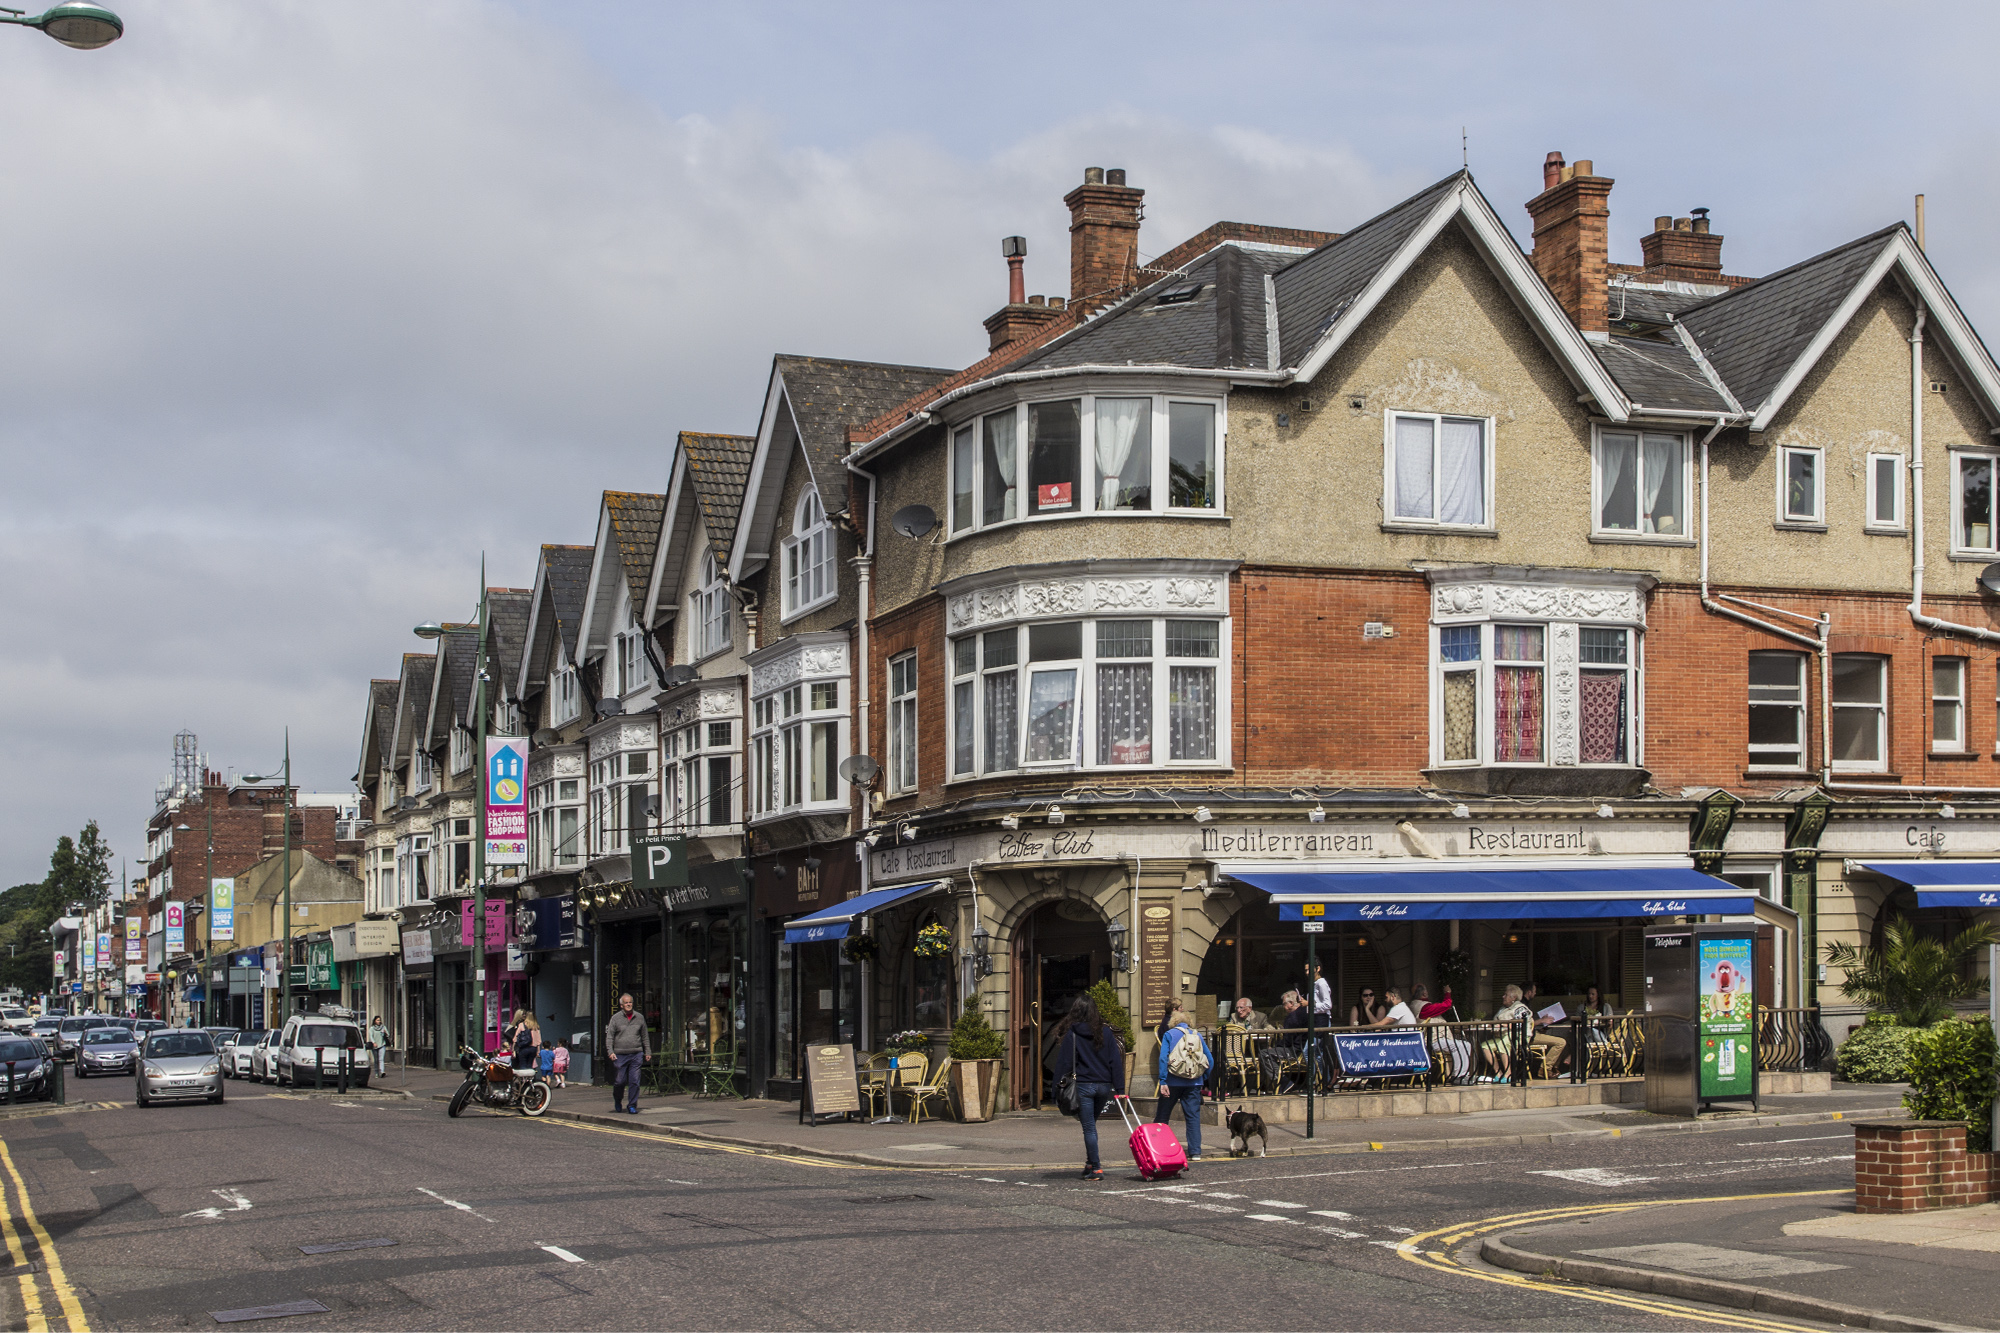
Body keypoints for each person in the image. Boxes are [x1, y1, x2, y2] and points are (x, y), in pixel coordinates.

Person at [1052, 994, 1125, 1181]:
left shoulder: (1073, 1033)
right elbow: (1115, 1062)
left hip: (1084, 1086)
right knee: (1091, 1124)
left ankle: (1097, 1168)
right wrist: (1120, 1089)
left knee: (1089, 1128)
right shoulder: (1106, 1032)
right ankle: (1090, 1163)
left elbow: (1064, 1064)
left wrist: (1055, 1090)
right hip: (1104, 1086)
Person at [1153, 1004, 1210, 1162]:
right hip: (1193, 1083)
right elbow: (1209, 1060)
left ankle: (1158, 1149)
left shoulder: (1169, 1034)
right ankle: (1195, 1152)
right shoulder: (1197, 1035)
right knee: (1192, 1117)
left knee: (1163, 1117)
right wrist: (1203, 1078)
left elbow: (1164, 1058)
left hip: (1172, 1082)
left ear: (1173, 1021)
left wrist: (1163, 1080)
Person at [604, 993, 650, 1114]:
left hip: (636, 1053)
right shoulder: (615, 1018)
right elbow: (609, 1037)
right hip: (620, 1054)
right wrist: (610, 1051)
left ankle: (632, 1105)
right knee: (620, 1081)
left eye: (630, 1002)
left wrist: (647, 1051)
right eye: (626, 1003)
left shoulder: (639, 1017)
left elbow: (645, 1036)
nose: (629, 1004)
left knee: (634, 1081)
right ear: (621, 1005)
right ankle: (618, 1099)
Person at [1482, 984, 1534, 1082]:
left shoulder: (1520, 1008)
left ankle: (1508, 1073)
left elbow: (1519, 1024)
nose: (1503, 997)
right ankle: (1498, 1072)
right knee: (1485, 1046)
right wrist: (1490, 1025)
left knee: (1504, 1043)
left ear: (1513, 997)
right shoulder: (1502, 1008)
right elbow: (1496, 1022)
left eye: (1505, 995)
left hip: (1519, 1037)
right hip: (1503, 1036)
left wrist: (1502, 1025)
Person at [1260, 991, 1309, 1090]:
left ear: (1291, 1003)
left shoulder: (1293, 1017)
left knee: (1265, 1054)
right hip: (1306, 1049)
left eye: (1284, 1004)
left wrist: (1275, 1046)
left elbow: (1287, 1040)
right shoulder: (1307, 1012)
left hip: (1295, 1050)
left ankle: (1283, 1082)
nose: (1283, 1007)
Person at [1521, 982, 1569, 1075]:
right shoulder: (1522, 1005)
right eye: (1534, 991)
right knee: (1561, 1042)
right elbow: (1524, 1023)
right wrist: (1542, 1020)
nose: (1535, 994)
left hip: (1533, 1033)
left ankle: (1554, 1067)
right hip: (1528, 1036)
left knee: (1560, 1040)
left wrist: (1539, 1029)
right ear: (1529, 992)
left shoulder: (1526, 1003)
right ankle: (1545, 1069)